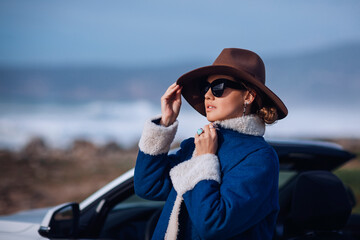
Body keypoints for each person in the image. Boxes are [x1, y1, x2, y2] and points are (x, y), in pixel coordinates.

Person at [134, 48, 288, 240]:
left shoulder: (260, 157)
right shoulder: (199, 145)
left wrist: (204, 161)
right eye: (205, 88)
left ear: (249, 95)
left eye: (218, 87)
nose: (207, 95)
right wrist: (165, 123)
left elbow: (214, 224)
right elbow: (148, 186)